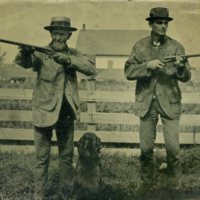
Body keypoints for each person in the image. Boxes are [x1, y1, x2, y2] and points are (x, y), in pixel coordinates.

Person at [15, 16, 96, 200]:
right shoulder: (42, 54)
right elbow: (25, 62)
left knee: (66, 158)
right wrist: (26, 53)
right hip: (43, 113)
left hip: (66, 114)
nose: (58, 38)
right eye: (55, 33)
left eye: (62, 34)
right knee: (41, 158)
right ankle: (39, 195)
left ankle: (66, 195)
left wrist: (68, 60)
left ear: (68, 35)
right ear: (50, 34)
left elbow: (90, 68)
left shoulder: (74, 54)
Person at [124, 7, 191, 194]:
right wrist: (147, 66)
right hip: (147, 104)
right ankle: (146, 185)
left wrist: (180, 67)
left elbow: (186, 77)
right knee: (146, 149)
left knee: (172, 149)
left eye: (165, 23)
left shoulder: (176, 47)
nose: (163, 26)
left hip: (170, 103)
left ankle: (174, 186)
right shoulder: (139, 46)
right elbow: (128, 72)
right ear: (151, 24)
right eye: (159, 23)